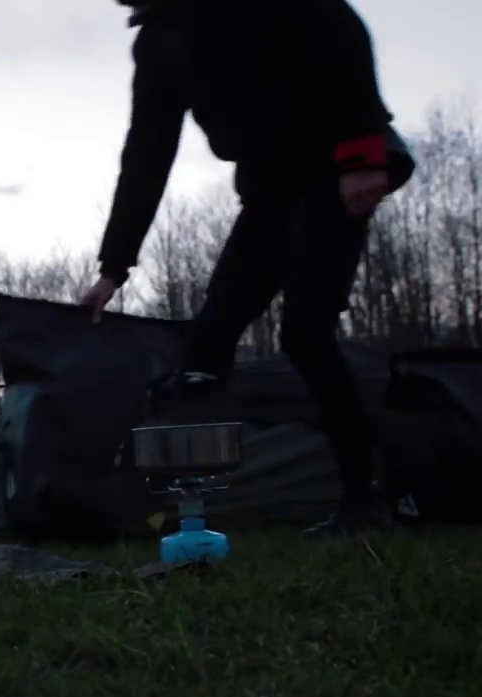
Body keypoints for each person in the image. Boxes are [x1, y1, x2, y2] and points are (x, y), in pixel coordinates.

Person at [80, 0, 416, 535]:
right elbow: (148, 149)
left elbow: (337, 27)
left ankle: (365, 500)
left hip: (334, 164)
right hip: (269, 190)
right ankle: (186, 508)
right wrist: (114, 266)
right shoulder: (158, 42)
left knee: (306, 333)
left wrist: (360, 154)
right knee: (207, 346)